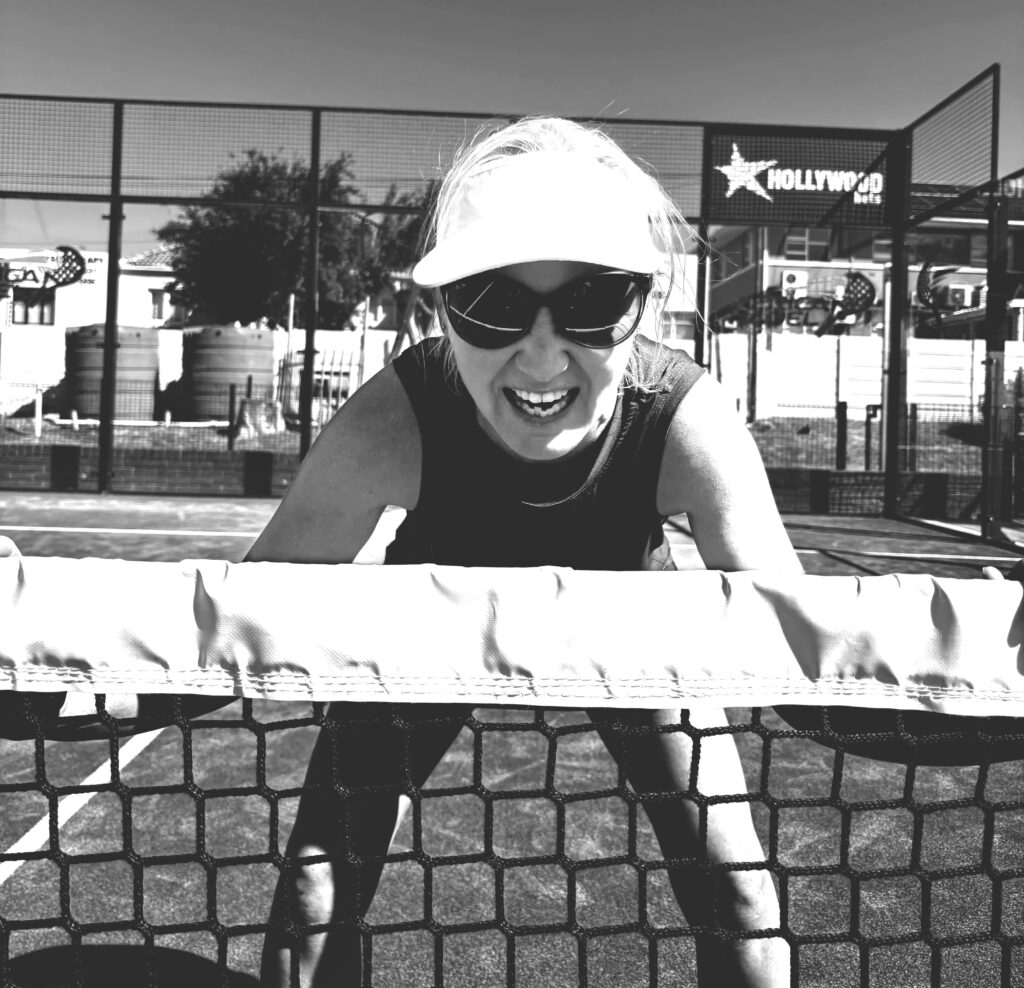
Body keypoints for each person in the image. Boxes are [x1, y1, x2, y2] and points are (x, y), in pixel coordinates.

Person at [249, 115, 799, 987]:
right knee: (315, 891)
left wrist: (970, 675)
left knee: (740, 896)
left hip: (633, 632)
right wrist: (70, 673)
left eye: (590, 300)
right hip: (426, 625)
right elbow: (240, 616)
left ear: (645, 305)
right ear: (439, 308)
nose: (541, 352)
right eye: (493, 301)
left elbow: (804, 656)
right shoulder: (393, 420)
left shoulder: (686, 422)